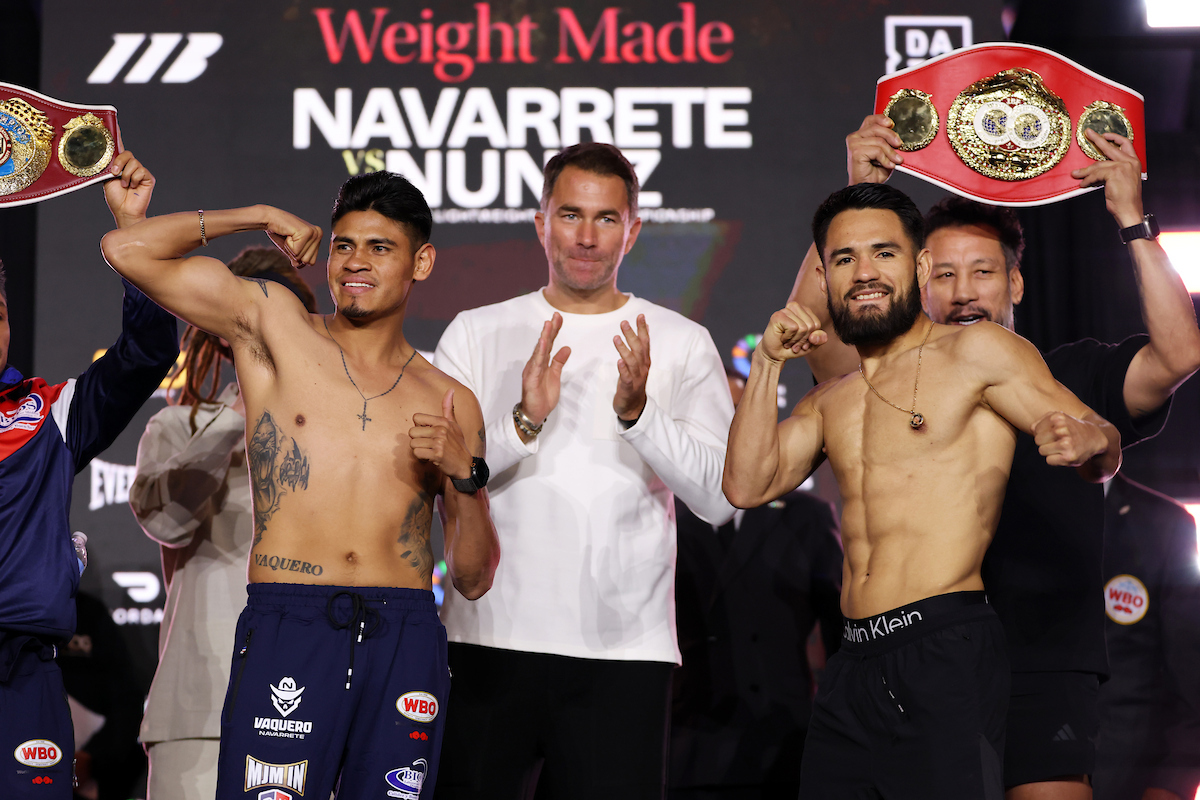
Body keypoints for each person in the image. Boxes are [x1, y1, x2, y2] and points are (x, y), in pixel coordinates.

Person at [99, 171, 500, 800]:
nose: (355, 263)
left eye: (379, 247)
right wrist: (254, 211)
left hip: (403, 633)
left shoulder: (453, 402)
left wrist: (466, 477)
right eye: (344, 245)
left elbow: (474, 577)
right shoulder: (276, 328)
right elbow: (128, 250)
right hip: (293, 616)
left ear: (421, 262)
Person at [837, 114, 1200, 799]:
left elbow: (1180, 354)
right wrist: (861, 201)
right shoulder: (889, 386)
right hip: (921, 664)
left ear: (1018, 286)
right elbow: (825, 350)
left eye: (983, 272)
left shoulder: (1071, 377)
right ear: (918, 287)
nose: (965, 290)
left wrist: (1132, 220)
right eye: (943, 273)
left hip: (1043, 660)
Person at [724, 182, 1121, 798]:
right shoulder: (829, 400)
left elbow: (1099, 434)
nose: (863, 273)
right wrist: (768, 364)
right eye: (843, 259)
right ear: (826, 279)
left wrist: (1092, 444)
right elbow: (746, 486)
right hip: (851, 663)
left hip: (944, 647)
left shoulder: (977, 351)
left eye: (882, 253)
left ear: (917, 266)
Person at [432, 142, 736, 799]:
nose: (587, 237)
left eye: (605, 219)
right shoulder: (475, 333)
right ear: (540, 221)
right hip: (489, 638)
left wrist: (639, 415)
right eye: (570, 215)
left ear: (634, 229)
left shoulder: (681, 342)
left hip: (625, 651)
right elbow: (445, 477)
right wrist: (522, 423)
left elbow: (719, 500)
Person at [0, 152, 179, 798]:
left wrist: (132, 234)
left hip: (26, 679)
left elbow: (147, 354)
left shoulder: (48, 413)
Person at [129, 247, 317, 800]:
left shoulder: (336, 430)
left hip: (312, 696)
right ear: (220, 333)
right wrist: (242, 412)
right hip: (199, 707)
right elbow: (167, 521)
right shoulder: (177, 426)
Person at [669, 370, 844, 800]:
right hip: (688, 748)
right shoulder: (661, 515)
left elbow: (843, 632)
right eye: (713, 411)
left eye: (740, 410)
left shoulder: (806, 516)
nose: (729, 423)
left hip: (785, 745)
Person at [1093, 475, 1200, 800]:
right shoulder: (1008, 508)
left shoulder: (1164, 522)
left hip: (1127, 770)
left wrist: (1172, 783)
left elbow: (1191, 672)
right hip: (1014, 757)